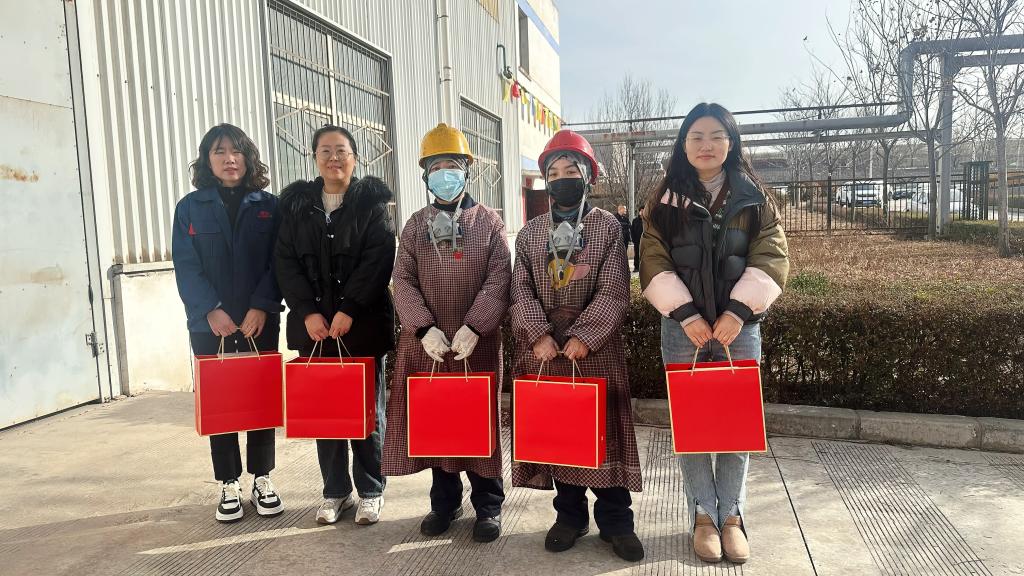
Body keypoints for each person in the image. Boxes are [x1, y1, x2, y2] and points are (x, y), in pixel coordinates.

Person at [640, 103, 789, 564]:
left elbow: (772, 256)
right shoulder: (663, 200)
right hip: (682, 328)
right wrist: (686, 314)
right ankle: (703, 515)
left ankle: (733, 517)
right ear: (683, 145)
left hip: (738, 329)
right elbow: (652, 258)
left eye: (716, 136)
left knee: (736, 426)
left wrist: (738, 312)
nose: (706, 145)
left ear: (731, 142)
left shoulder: (755, 197)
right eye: (696, 136)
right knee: (693, 425)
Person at [509, 130, 644, 562]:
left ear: (588, 176)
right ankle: (569, 517)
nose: (563, 178)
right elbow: (520, 290)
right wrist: (538, 334)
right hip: (547, 352)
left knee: (606, 441)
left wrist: (585, 336)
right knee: (561, 436)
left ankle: (616, 523)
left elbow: (614, 289)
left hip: (595, 352)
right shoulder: (530, 234)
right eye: (554, 173)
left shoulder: (607, 227)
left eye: (572, 170)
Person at [383, 123, 512, 543]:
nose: (444, 174)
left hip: (477, 345)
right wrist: (422, 328)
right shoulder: (414, 226)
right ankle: (444, 503)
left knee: (478, 424)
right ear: (425, 175)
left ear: (467, 170)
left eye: (452, 166)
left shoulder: (488, 222)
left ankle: (488, 505)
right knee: (438, 422)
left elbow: (500, 277)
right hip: (429, 347)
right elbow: (402, 280)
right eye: (436, 167)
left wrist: (476, 325)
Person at [274, 124, 396, 526]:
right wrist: (306, 311)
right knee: (325, 414)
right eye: (325, 150)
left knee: (366, 414)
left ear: (355, 158)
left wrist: (350, 309)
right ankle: (335, 491)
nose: (333, 158)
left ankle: (372, 490)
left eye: (341, 150)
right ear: (314, 158)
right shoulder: (297, 207)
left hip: (361, 327)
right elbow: (285, 262)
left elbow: (379, 259)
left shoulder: (371, 205)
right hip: (315, 331)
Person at [172, 123, 284, 523]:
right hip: (210, 325)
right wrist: (209, 309)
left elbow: (279, 262)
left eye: (236, 151)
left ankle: (262, 478)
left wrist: (262, 306)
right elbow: (186, 265)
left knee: (259, 399)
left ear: (248, 158)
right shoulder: (190, 207)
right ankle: (228, 482)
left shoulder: (269, 206)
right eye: (219, 151)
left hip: (259, 321)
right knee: (221, 402)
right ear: (207, 159)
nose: (229, 159)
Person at [630, 207, 645, 273]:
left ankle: (644, 268)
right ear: (639, 212)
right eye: (641, 211)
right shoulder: (635, 220)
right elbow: (632, 231)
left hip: (645, 241)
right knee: (636, 254)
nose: (642, 212)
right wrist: (633, 239)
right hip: (637, 241)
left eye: (643, 211)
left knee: (644, 255)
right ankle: (636, 267)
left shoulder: (647, 220)